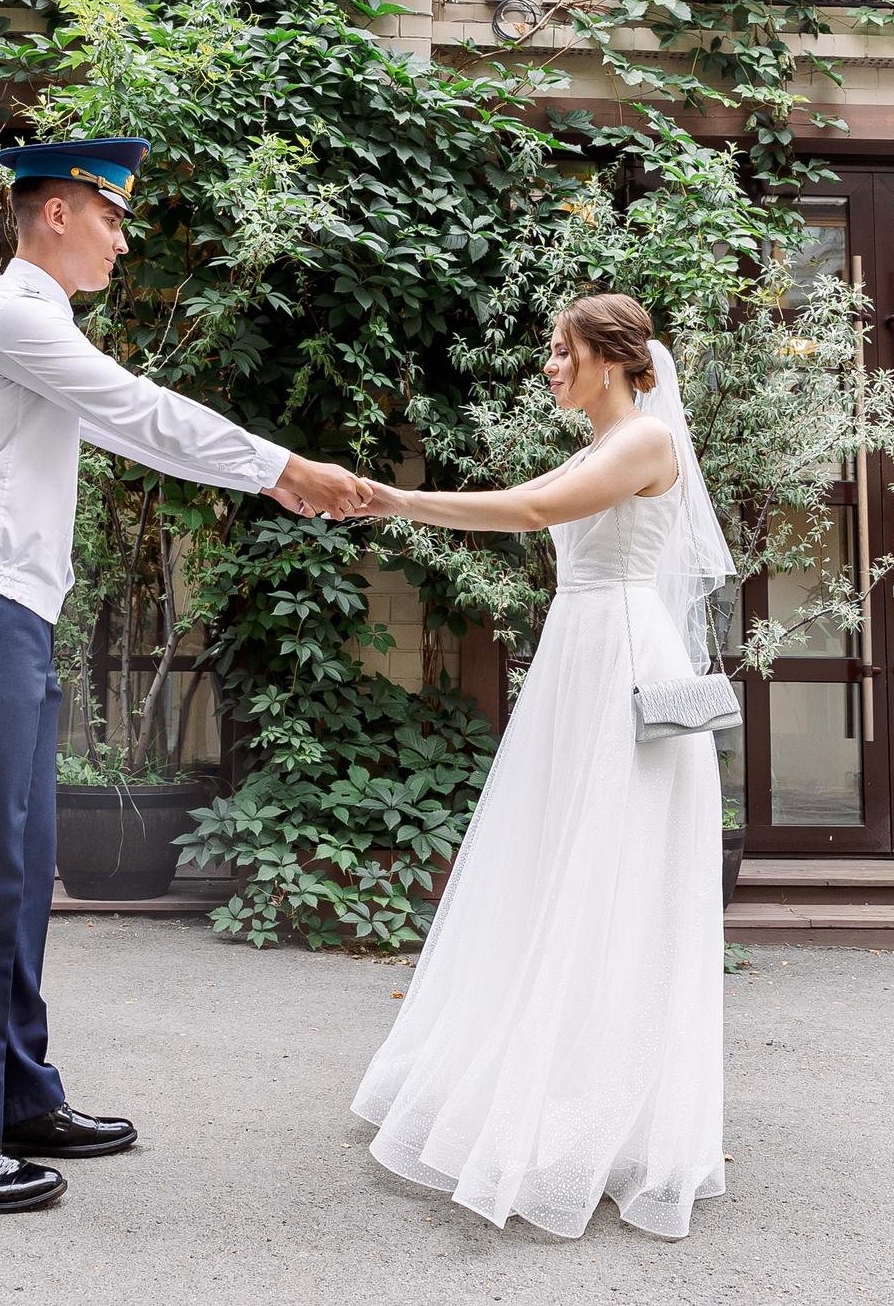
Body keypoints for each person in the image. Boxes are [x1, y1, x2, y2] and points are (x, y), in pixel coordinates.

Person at [0, 136, 372, 1214]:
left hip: (1, 623)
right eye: (111, 216)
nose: (121, 236)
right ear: (55, 211)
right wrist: (281, 469)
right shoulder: (13, 315)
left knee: (14, 877)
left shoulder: (39, 321)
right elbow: (140, 413)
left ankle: (14, 1098)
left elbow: (129, 414)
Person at [349, 293, 734, 1240]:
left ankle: (594, 1115)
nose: (550, 368)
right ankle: (548, 1078)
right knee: (556, 860)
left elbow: (529, 510)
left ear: (610, 359)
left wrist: (399, 500)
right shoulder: (600, 444)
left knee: (610, 871)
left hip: (625, 664)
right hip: (582, 651)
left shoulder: (642, 442)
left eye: (561, 353)